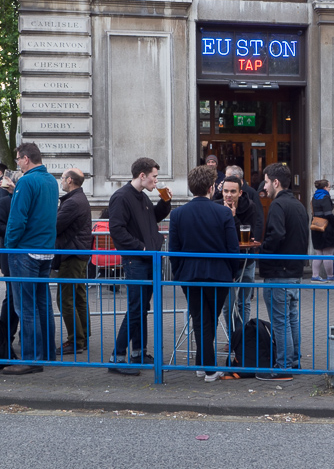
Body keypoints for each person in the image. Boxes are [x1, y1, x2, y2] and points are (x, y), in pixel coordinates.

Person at [169, 164, 240, 382]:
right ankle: (208, 369)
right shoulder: (223, 212)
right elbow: (233, 249)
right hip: (218, 275)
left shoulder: (178, 214)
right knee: (207, 318)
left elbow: (174, 250)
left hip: (190, 274)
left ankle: (203, 365)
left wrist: (180, 272)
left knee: (202, 319)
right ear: (211, 188)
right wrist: (233, 273)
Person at [107, 156, 172, 375]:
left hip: (147, 259)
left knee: (142, 308)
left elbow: (151, 219)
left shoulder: (141, 197)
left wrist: (165, 203)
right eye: (154, 176)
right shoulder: (122, 197)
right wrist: (141, 248)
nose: (157, 181)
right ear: (142, 175)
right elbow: (116, 230)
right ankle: (117, 357)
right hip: (137, 260)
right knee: (136, 308)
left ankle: (137, 353)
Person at [4, 142, 59, 375]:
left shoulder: (26, 181)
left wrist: (9, 246)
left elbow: (18, 219)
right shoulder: (51, 180)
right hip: (46, 249)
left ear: (26, 159)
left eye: (18, 159)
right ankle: (47, 353)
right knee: (42, 303)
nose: (17, 163)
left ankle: (31, 358)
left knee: (25, 306)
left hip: (25, 251)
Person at [258, 162, 308, 381]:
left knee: (281, 322)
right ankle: (293, 361)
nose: (265, 186)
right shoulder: (298, 205)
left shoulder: (278, 206)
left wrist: (262, 249)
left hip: (279, 271)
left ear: (276, 182)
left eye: (267, 181)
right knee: (291, 319)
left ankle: (283, 367)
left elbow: (276, 235)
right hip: (295, 272)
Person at [219, 175, 263, 342]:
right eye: (225, 191)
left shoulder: (249, 207)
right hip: (226, 263)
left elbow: (248, 235)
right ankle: (233, 339)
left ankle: (241, 338)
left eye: (232, 191)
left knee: (243, 303)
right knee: (228, 305)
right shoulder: (216, 206)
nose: (228, 195)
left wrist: (233, 217)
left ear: (240, 192)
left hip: (246, 260)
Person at [55, 168, 92, 354]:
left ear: (70, 180)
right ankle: (83, 336)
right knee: (78, 297)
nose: (61, 181)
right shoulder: (80, 199)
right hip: (79, 253)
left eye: (62, 178)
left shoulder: (73, 202)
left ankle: (76, 340)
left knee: (65, 299)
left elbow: (56, 225)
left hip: (72, 254)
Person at [0, 170, 20, 341]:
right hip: (11, 257)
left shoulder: (29, 201)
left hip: (27, 257)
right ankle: (5, 335)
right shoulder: (5, 203)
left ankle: (26, 334)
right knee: (12, 297)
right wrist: (17, 232)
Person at [310, 180, 334, 282]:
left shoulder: (314, 197)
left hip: (316, 226)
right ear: (325, 188)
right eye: (329, 187)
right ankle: (330, 275)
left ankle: (315, 275)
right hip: (326, 228)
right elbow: (328, 214)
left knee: (319, 253)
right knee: (328, 253)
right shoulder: (325, 197)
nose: (329, 189)